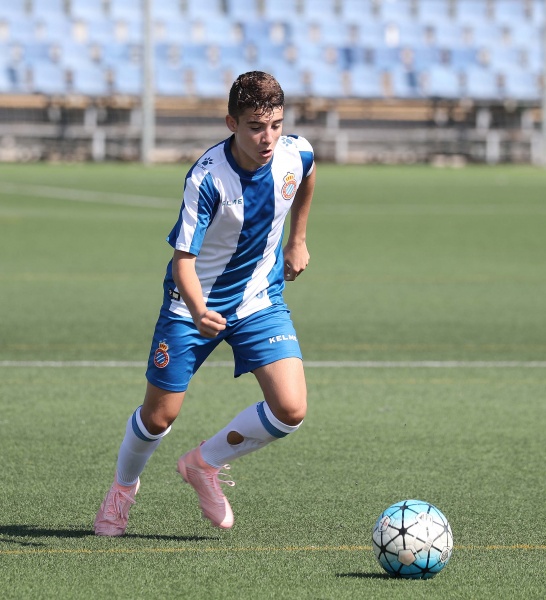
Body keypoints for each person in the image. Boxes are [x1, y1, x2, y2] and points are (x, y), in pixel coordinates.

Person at [94, 71, 316, 534]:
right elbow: (183, 262)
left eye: (275, 124)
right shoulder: (207, 178)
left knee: (290, 409)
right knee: (159, 416)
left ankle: (203, 464)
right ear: (232, 122)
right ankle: (121, 490)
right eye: (256, 126)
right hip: (192, 304)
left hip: (259, 299)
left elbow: (308, 177)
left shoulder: (296, 153)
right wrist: (197, 311)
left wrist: (298, 240)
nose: (268, 137)